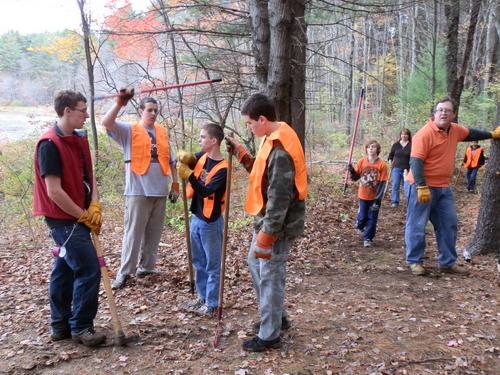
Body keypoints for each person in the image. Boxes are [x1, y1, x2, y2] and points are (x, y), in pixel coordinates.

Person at [225, 93, 307, 352]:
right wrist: (242, 154)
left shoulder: (281, 149)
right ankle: (277, 317)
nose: (249, 128)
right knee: (256, 264)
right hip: (267, 222)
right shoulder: (271, 138)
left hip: (276, 227)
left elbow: (279, 199)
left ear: (262, 119)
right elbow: (264, 176)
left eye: (250, 123)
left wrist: (267, 235)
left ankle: (270, 334)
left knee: (270, 275)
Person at [33, 90, 106, 347]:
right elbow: (54, 191)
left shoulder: (79, 138)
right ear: (67, 111)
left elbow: (90, 175)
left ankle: (60, 326)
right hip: (63, 220)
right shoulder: (49, 144)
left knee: (63, 271)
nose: (86, 115)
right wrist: (83, 215)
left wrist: (94, 204)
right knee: (88, 269)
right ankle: (81, 327)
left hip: (79, 216)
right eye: (82, 110)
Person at [405, 97, 500, 276]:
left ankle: (447, 263)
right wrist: (421, 186)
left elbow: (471, 133)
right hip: (421, 187)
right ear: (434, 114)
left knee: (449, 224)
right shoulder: (424, 134)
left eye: (447, 111)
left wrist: (491, 134)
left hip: (443, 188)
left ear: (453, 115)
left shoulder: (455, 130)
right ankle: (414, 261)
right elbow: (415, 161)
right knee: (417, 225)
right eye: (440, 110)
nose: (443, 113)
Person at [101, 90, 179, 289]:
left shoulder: (161, 132)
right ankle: (126, 272)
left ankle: (147, 267)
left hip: (160, 191)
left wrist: (175, 184)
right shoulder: (129, 130)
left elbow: (171, 161)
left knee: (154, 234)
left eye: (155, 111)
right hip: (138, 191)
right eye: (149, 110)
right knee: (133, 233)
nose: (153, 114)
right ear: (140, 111)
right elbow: (107, 123)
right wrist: (120, 102)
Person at [176, 123, 227, 317]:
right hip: (196, 218)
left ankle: (212, 303)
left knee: (212, 264)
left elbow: (205, 190)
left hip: (211, 223)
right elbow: (183, 162)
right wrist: (183, 160)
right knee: (198, 261)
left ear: (214, 141)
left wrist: (189, 176)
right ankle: (202, 297)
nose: (200, 140)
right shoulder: (201, 157)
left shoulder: (223, 169)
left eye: (203, 137)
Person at [348, 140, 388, 248]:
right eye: (369, 147)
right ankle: (360, 226)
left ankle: (368, 238)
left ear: (377, 150)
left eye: (374, 147)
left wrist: (378, 200)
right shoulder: (361, 162)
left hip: (374, 197)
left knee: (372, 218)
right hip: (363, 195)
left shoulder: (382, 165)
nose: (371, 149)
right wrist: (352, 171)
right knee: (362, 217)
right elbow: (356, 178)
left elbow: (382, 184)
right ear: (366, 149)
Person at [387, 128, 411, 207]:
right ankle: (395, 201)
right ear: (400, 135)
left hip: (407, 169)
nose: (404, 136)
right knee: (395, 185)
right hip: (396, 168)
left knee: (407, 186)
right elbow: (390, 156)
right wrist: (390, 162)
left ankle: (409, 201)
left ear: (408, 135)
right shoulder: (396, 145)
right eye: (402, 134)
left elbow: (413, 157)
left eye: (406, 134)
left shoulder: (411, 145)